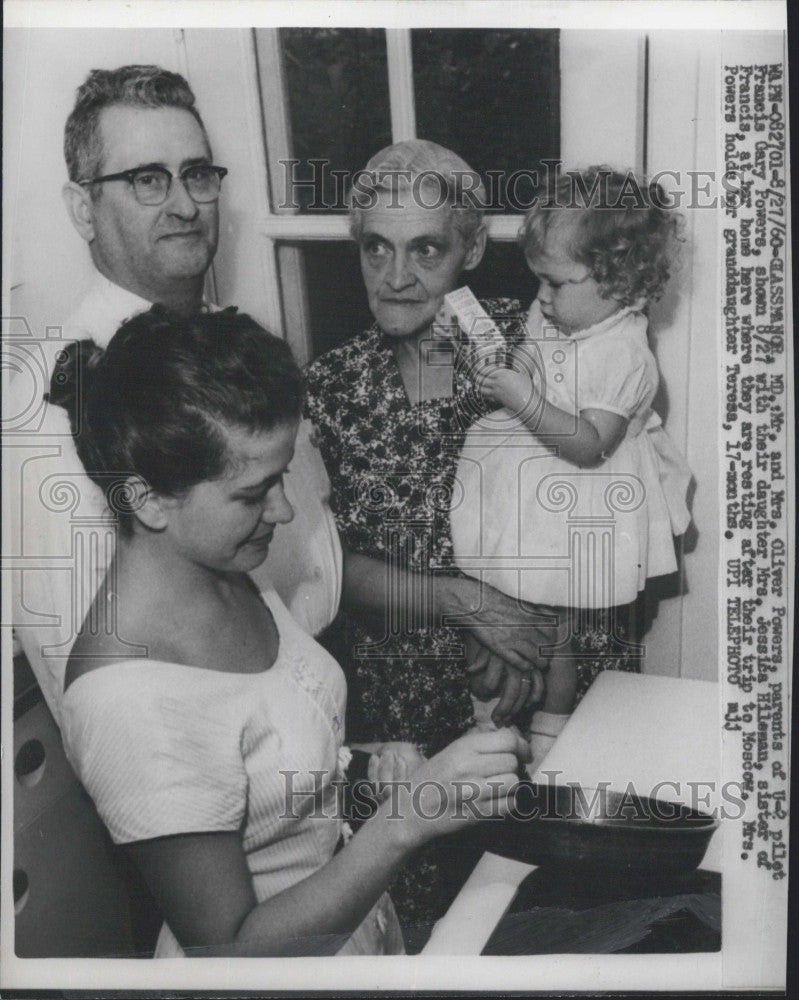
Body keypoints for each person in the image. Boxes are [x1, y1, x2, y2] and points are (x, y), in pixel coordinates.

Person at [49, 306, 530, 957]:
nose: (284, 508)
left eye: (280, 476)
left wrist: (372, 763)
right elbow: (227, 954)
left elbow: (267, 770)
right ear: (147, 500)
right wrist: (404, 823)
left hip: (350, 926)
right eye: (254, 492)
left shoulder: (220, 565)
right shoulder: (126, 700)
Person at [6, 65, 339, 732]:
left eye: (198, 174)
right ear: (82, 208)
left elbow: (302, 544)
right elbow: (98, 685)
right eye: (147, 179)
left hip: (313, 706)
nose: (184, 203)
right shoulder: (61, 398)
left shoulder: (228, 347)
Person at [304, 140, 556, 928]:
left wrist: (525, 635)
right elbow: (324, 568)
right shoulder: (330, 387)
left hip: (532, 691)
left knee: (525, 920)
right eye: (376, 247)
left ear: (473, 248)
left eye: (426, 248)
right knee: (410, 932)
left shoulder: (535, 349)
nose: (396, 275)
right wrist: (463, 601)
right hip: (394, 722)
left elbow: (595, 513)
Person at [450, 166, 692, 766]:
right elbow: (535, 359)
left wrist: (523, 399)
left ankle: (551, 731)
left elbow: (588, 444)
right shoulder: (557, 313)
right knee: (503, 593)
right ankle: (494, 714)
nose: (542, 298)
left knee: (559, 619)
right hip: (533, 482)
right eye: (540, 282)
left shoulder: (624, 353)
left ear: (620, 282)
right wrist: (512, 371)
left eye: (556, 284)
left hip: (584, 492)